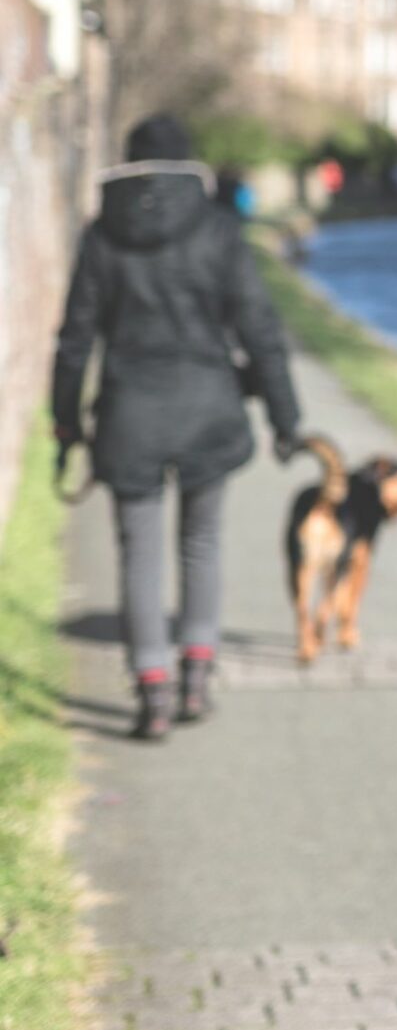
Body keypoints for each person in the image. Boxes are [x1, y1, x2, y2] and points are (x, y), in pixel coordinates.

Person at [51, 114, 303, 739]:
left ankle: (152, 692)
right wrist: (284, 416)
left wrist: (65, 423)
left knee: (138, 552)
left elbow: (75, 341)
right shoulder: (218, 232)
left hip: (128, 415)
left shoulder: (100, 237)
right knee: (202, 542)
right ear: (188, 164)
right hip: (209, 411)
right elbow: (260, 330)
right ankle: (196, 675)